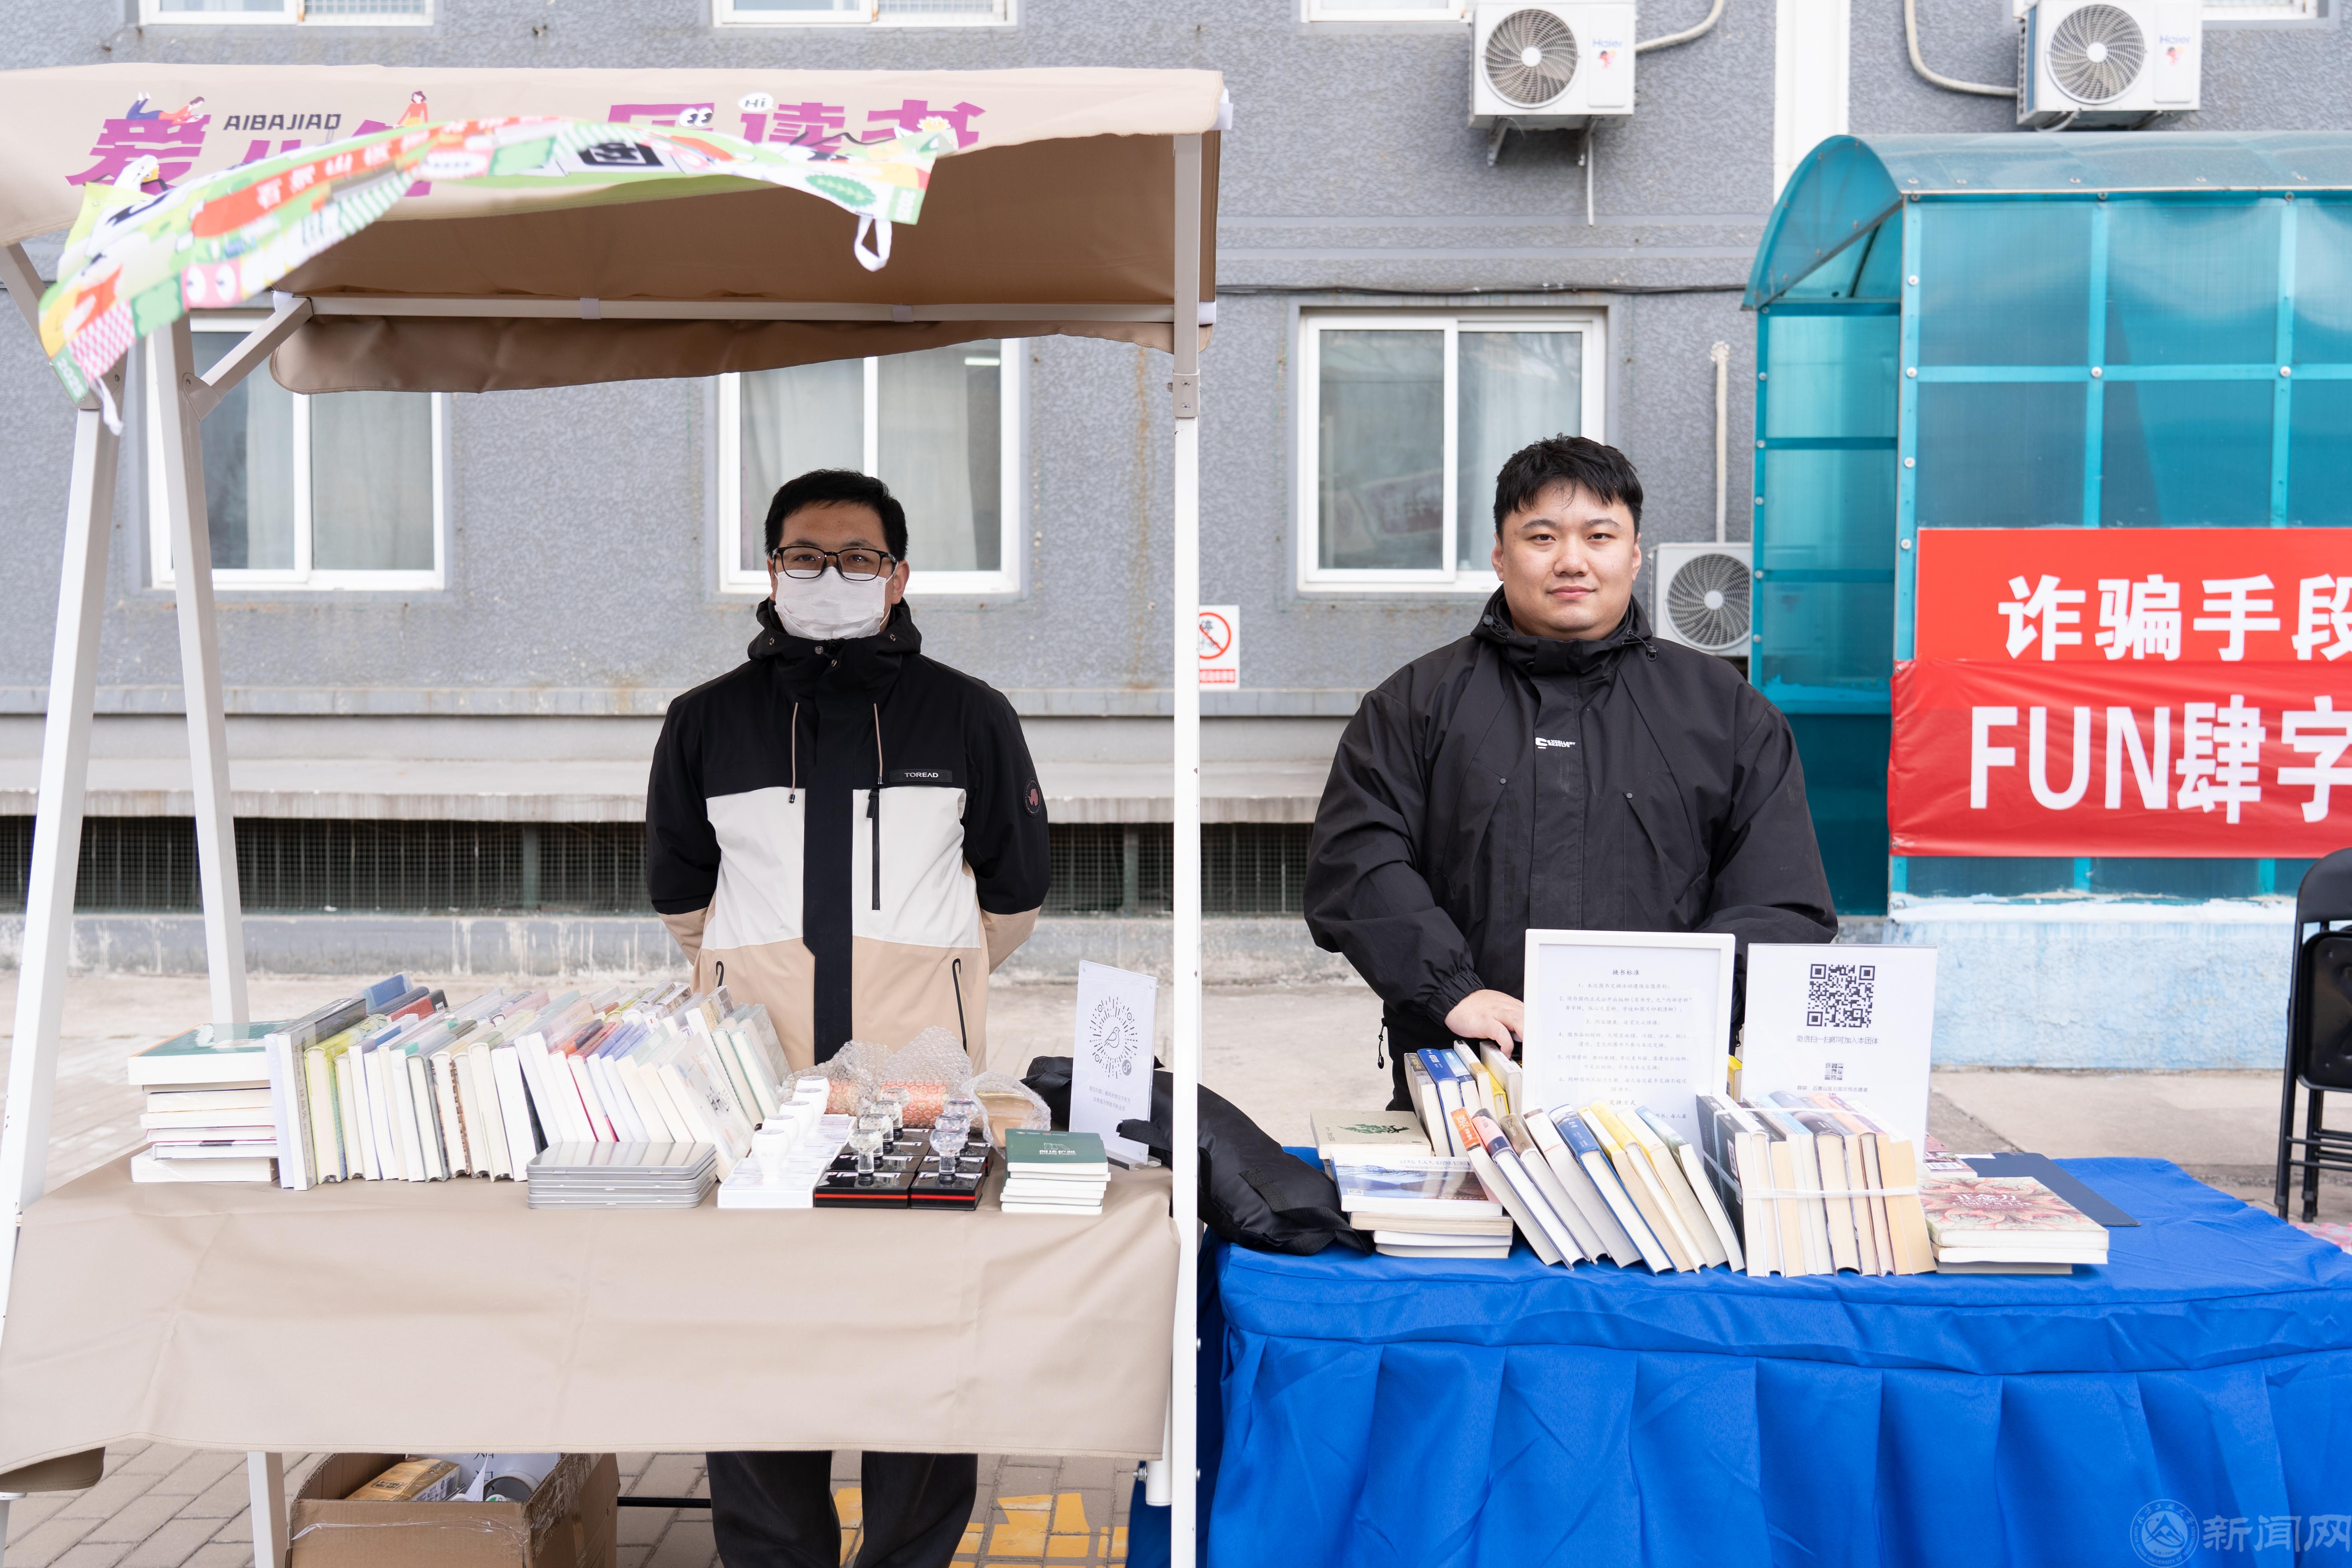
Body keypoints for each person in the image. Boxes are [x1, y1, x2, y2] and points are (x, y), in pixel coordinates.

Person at [646, 468, 1050, 1568]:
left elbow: (1013, 892)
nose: (831, 576)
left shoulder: (967, 714)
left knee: (920, 1346)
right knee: (757, 1350)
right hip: (759, 1098)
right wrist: (760, 975)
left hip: (917, 1092)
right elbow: (682, 897)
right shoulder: (705, 720)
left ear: (898, 575)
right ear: (771, 570)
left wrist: (925, 984)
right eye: (806, 557)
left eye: (858, 558)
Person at [1303, 435, 1837, 1110]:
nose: (1571, 561)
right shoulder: (1416, 704)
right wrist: (1452, 990)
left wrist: (1680, 1009)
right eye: (1542, 537)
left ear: (1634, 554)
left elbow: (1782, 899)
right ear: (1500, 556)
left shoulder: (1724, 711)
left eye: (1599, 535)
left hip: (1664, 1088)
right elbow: (1357, 862)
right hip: (1461, 1078)